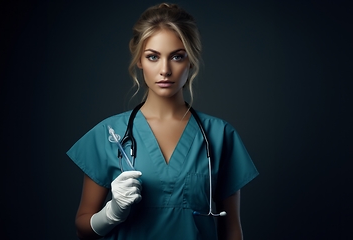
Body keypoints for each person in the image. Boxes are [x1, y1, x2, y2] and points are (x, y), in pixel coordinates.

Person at [67, 3, 258, 240]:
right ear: (139, 60)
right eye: (153, 57)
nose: (165, 70)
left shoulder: (219, 136)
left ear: (191, 61)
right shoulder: (110, 134)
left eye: (177, 56)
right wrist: (111, 213)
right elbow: (83, 228)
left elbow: (232, 231)